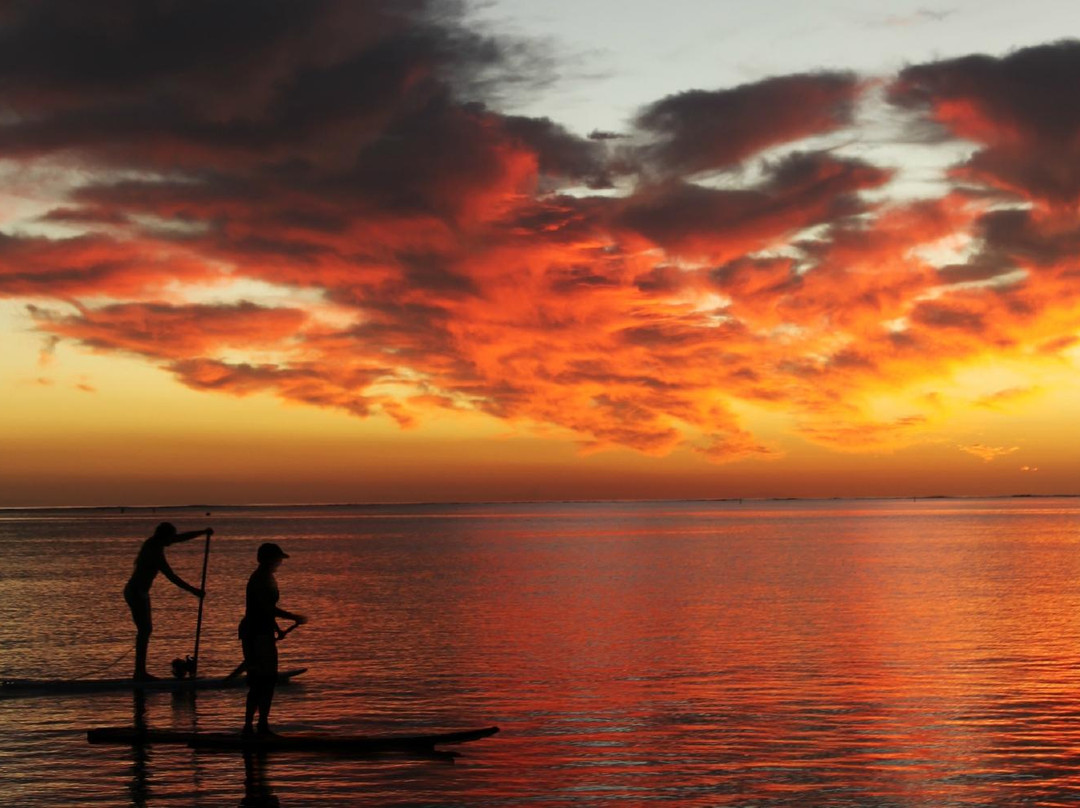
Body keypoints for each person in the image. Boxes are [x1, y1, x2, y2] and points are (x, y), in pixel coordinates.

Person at [123, 522, 211, 680]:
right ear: (164, 536)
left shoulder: (154, 542)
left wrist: (202, 532)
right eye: (170, 537)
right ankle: (139, 673)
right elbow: (171, 576)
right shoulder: (154, 552)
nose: (173, 540)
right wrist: (194, 591)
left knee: (145, 631)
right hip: (136, 593)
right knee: (144, 631)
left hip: (140, 592)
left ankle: (140, 671)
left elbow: (179, 538)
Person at [240, 542, 306, 736]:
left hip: (263, 632)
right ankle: (252, 727)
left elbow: (266, 610)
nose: (280, 563)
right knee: (261, 681)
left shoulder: (267, 578)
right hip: (255, 634)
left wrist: (277, 629)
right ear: (268, 560)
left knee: (266, 681)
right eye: (278, 559)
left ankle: (260, 725)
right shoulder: (261, 579)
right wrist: (294, 617)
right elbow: (267, 608)